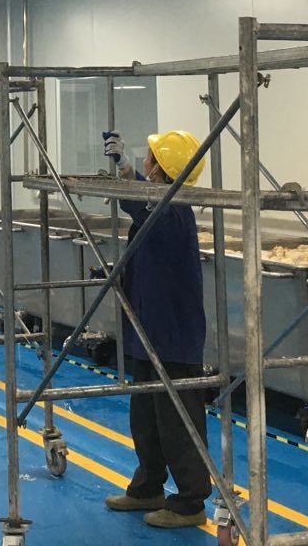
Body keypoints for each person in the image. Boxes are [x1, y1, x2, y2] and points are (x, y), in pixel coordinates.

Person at [100, 128, 212, 530]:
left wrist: (126, 172)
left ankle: (190, 502)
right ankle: (148, 486)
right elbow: (141, 205)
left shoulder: (173, 210)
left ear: (161, 168)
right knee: (145, 416)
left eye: (149, 157)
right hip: (148, 329)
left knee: (178, 420)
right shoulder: (162, 204)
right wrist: (126, 170)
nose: (144, 160)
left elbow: (142, 205)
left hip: (172, 337)